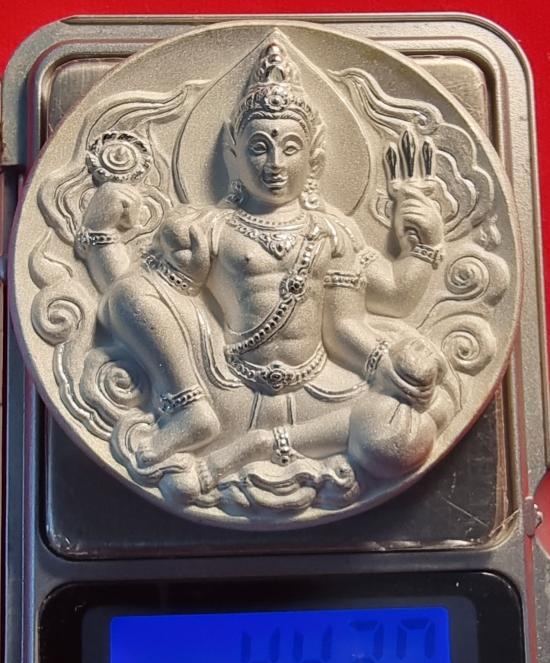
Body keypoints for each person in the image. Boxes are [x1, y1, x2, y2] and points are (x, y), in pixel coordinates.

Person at [76, 38, 455, 482]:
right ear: (233, 155)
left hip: (319, 391)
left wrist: (422, 247)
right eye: (259, 147)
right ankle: (189, 413)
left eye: (290, 148)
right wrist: (101, 236)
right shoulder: (209, 228)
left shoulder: (333, 233)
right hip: (221, 384)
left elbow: (358, 318)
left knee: (401, 437)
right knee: (133, 295)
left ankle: (262, 444)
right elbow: (134, 300)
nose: (275, 163)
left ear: (314, 158)